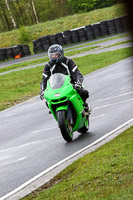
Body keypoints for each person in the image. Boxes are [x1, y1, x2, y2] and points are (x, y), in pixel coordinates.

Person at [40, 44, 89, 112]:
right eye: (52, 55)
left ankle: (84, 106)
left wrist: (78, 82)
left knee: (83, 92)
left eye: (56, 55)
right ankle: (55, 111)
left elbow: (76, 73)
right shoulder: (48, 65)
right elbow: (44, 79)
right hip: (55, 87)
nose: (53, 56)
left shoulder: (68, 61)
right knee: (48, 102)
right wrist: (42, 90)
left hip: (70, 85)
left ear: (61, 54)